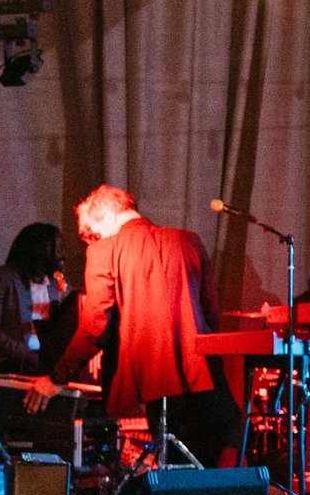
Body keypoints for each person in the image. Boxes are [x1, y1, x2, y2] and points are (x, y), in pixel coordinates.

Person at [31, 185, 241, 467]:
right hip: (203, 371)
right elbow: (211, 314)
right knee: (225, 437)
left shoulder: (105, 249)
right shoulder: (189, 240)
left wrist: (57, 376)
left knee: (172, 467)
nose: (92, 240)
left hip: (152, 376)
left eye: (91, 232)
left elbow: (96, 325)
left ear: (105, 214)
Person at [0, 223, 67, 376]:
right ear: (38, 249)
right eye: (56, 247)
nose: (61, 255)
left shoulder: (58, 286)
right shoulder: (0, 278)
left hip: (39, 375)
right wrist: (28, 355)